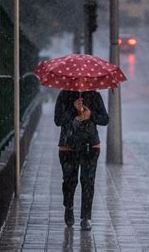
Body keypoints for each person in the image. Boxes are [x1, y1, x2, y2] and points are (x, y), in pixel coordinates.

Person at [54, 90, 109, 230]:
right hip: (68, 146)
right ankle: (69, 206)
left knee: (88, 182)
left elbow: (105, 119)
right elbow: (58, 120)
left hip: (90, 146)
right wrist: (74, 110)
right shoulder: (64, 95)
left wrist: (91, 115)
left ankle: (86, 217)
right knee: (69, 181)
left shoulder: (95, 96)